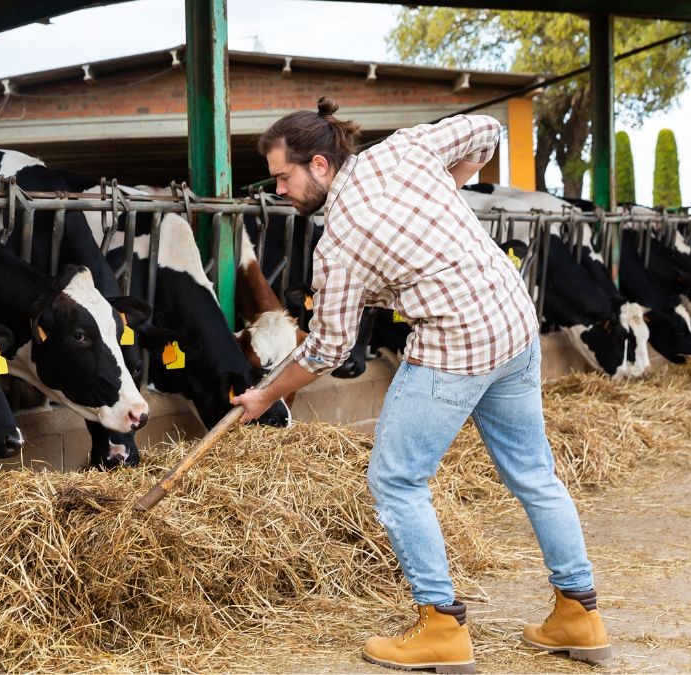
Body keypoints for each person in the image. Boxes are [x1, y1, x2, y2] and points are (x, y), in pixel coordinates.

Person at [232, 98, 611, 674]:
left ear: (320, 165)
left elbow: (331, 347)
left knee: (397, 480)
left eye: (284, 177)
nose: (280, 190)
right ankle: (579, 614)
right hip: (513, 322)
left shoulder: (339, 243)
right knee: (535, 473)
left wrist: (266, 393)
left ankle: (440, 627)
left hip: (456, 345)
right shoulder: (407, 150)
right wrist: (449, 187)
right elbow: (485, 129)